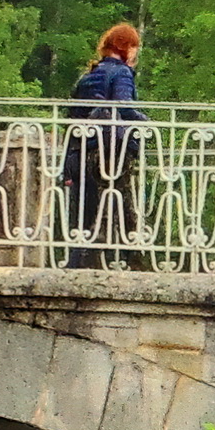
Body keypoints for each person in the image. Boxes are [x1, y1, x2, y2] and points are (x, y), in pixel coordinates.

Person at [62, 20, 146, 268]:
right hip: (111, 152)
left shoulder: (88, 75)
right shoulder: (120, 73)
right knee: (122, 204)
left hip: (81, 149)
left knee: (85, 211)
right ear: (126, 47)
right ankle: (133, 258)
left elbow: (73, 115)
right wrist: (148, 124)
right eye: (135, 48)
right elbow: (124, 107)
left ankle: (78, 263)